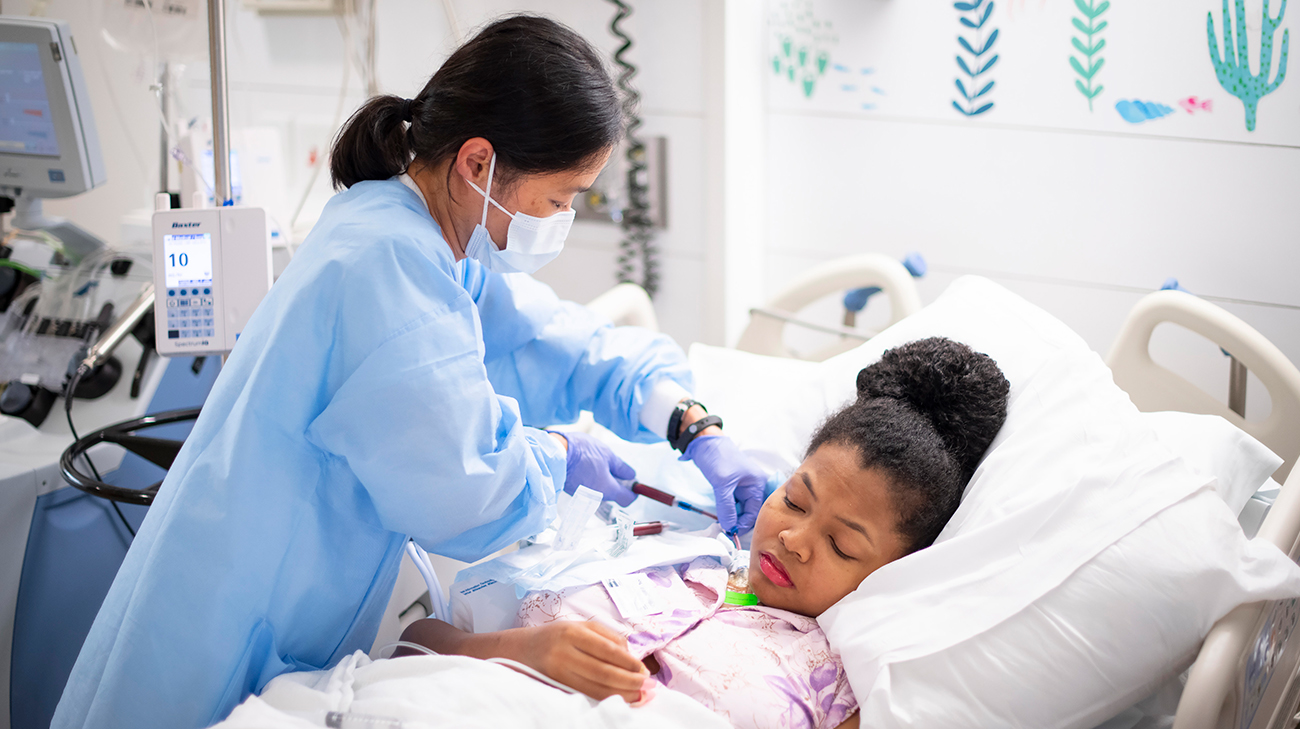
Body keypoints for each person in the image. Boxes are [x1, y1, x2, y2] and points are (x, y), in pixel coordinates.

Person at [54, 15, 765, 729]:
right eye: (560, 197)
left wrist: (686, 419)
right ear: (478, 163)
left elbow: (552, 341)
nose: (563, 217)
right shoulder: (387, 267)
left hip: (266, 603)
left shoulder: (418, 239)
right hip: (228, 629)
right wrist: (557, 456)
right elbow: (469, 492)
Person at [396, 337, 1011, 729]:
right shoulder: (668, 561)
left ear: (893, 570)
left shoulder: (840, 684)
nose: (795, 539)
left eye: (842, 545)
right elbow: (414, 642)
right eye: (794, 500)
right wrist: (521, 651)